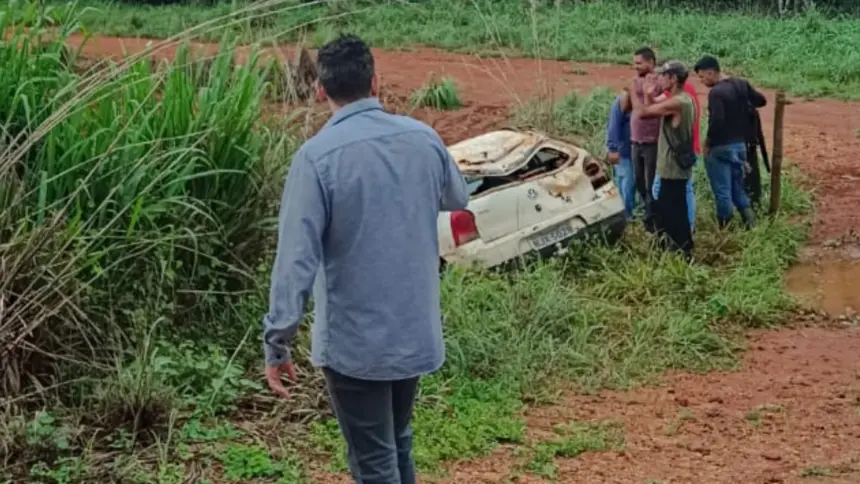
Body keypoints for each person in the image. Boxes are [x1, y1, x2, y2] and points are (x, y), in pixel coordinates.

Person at [261, 34, 469, 484]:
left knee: (375, 461)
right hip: (413, 330)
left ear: (320, 89)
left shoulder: (315, 158)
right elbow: (458, 197)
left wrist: (278, 340)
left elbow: (295, 260)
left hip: (355, 343)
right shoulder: (423, 138)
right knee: (398, 442)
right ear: (376, 82)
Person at [628, 60, 696, 259]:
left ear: (673, 79)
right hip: (671, 168)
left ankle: (682, 251)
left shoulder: (677, 102)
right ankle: (675, 249)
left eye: (663, 76)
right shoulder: (682, 99)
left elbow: (642, 113)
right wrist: (649, 95)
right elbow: (653, 111)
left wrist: (633, 91)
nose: (659, 80)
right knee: (670, 211)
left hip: (671, 169)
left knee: (673, 213)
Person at [694, 54, 767, 229]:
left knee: (722, 191)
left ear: (711, 72)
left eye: (702, 77)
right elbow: (761, 100)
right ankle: (751, 225)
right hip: (740, 146)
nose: (702, 81)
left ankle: (725, 229)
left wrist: (708, 143)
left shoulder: (716, 93)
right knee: (738, 188)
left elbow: (717, 120)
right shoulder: (741, 84)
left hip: (721, 147)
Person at [651, 75, 700, 232]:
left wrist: (645, 93)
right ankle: (684, 228)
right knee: (684, 190)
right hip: (687, 148)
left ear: (672, 79)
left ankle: (680, 228)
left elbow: (649, 109)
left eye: (660, 77)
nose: (658, 81)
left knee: (665, 191)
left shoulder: (676, 98)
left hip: (678, 154)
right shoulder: (685, 94)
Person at [629, 46, 661, 231]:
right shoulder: (636, 80)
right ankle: (647, 218)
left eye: (639, 63)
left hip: (652, 142)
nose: (635, 67)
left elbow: (644, 111)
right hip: (636, 140)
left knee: (651, 184)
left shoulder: (659, 81)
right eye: (634, 63)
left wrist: (634, 91)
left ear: (651, 62)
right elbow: (630, 107)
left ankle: (653, 221)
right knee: (640, 182)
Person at [606, 92, 636, 218]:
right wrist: (613, 148)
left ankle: (624, 213)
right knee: (627, 183)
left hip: (632, 150)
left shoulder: (638, 99)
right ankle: (626, 215)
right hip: (622, 151)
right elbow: (613, 125)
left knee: (625, 182)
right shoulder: (623, 100)